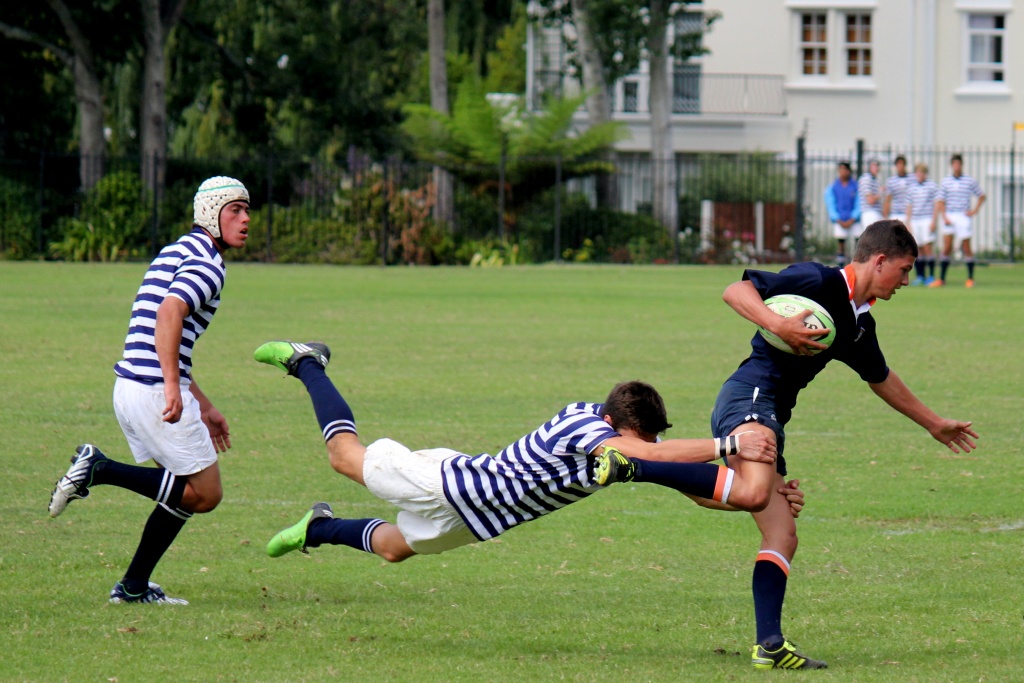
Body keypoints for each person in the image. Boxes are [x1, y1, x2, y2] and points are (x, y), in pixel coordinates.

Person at [603, 220, 978, 670]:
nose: (905, 281)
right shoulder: (818, 279)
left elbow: (881, 378)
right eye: (904, 269)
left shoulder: (859, 323)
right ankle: (634, 465)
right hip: (750, 397)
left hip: (772, 414)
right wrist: (781, 325)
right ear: (879, 260)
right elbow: (736, 291)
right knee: (757, 491)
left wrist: (934, 424)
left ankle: (770, 644)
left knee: (781, 529)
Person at [252, 341, 806, 564]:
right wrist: (727, 443)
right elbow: (663, 455)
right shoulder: (585, 424)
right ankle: (308, 363)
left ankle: (319, 527)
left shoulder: (628, 448)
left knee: (395, 548)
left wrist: (765, 498)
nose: (647, 452)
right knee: (345, 457)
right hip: (454, 484)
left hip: (485, 519)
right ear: (614, 424)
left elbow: (697, 489)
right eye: (641, 442)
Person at [47, 176, 251, 604]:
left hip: (130, 386)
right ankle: (98, 469)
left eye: (247, 210)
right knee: (206, 494)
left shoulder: (177, 250)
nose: (246, 219)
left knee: (179, 492)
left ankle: (134, 586)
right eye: (235, 210)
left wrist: (204, 404)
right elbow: (169, 315)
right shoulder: (209, 265)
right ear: (212, 214)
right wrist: (174, 388)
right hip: (155, 391)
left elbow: (158, 332)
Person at [930, 154, 986, 288]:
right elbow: (940, 200)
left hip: (963, 215)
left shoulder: (969, 180)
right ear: (951, 165)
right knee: (947, 247)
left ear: (961, 165)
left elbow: (981, 195)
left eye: (958, 164)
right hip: (950, 215)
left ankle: (970, 278)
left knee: (967, 247)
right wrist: (944, 216)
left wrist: (974, 211)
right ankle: (942, 278)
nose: (956, 166)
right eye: (954, 164)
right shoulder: (946, 181)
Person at [905, 163, 940, 285]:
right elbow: (909, 206)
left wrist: (934, 220)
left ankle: (931, 275)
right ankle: (920, 276)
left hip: (927, 219)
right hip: (915, 220)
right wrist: (908, 222)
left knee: (927, 247)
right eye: (918, 172)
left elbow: (936, 204)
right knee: (918, 248)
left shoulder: (932, 186)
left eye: (922, 172)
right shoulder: (911, 187)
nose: (920, 175)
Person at [824, 161, 861, 266]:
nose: (843, 172)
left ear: (849, 171)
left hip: (854, 220)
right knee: (841, 243)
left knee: (858, 243)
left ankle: (856, 265)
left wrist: (853, 218)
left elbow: (859, 203)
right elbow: (830, 203)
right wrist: (837, 218)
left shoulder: (855, 186)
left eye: (845, 170)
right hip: (840, 220)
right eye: (841, 170)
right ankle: (841, 267)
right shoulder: (833, 187)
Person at [882, 155, 912, 226]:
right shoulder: (891, 181)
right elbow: (888, 199)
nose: (900, 166)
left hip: (907, 213)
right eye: (898, 164)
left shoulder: (912, 179)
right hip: (895, 213)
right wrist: (885, 215)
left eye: (902, 164)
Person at [857, 158, 883, 233]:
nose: (877, 168)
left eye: (877, 166)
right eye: (874, 166)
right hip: (869, 212)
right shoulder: (866, 179)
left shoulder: (875, 180)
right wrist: (880, 194)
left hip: (876, 212)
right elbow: (870, 200)